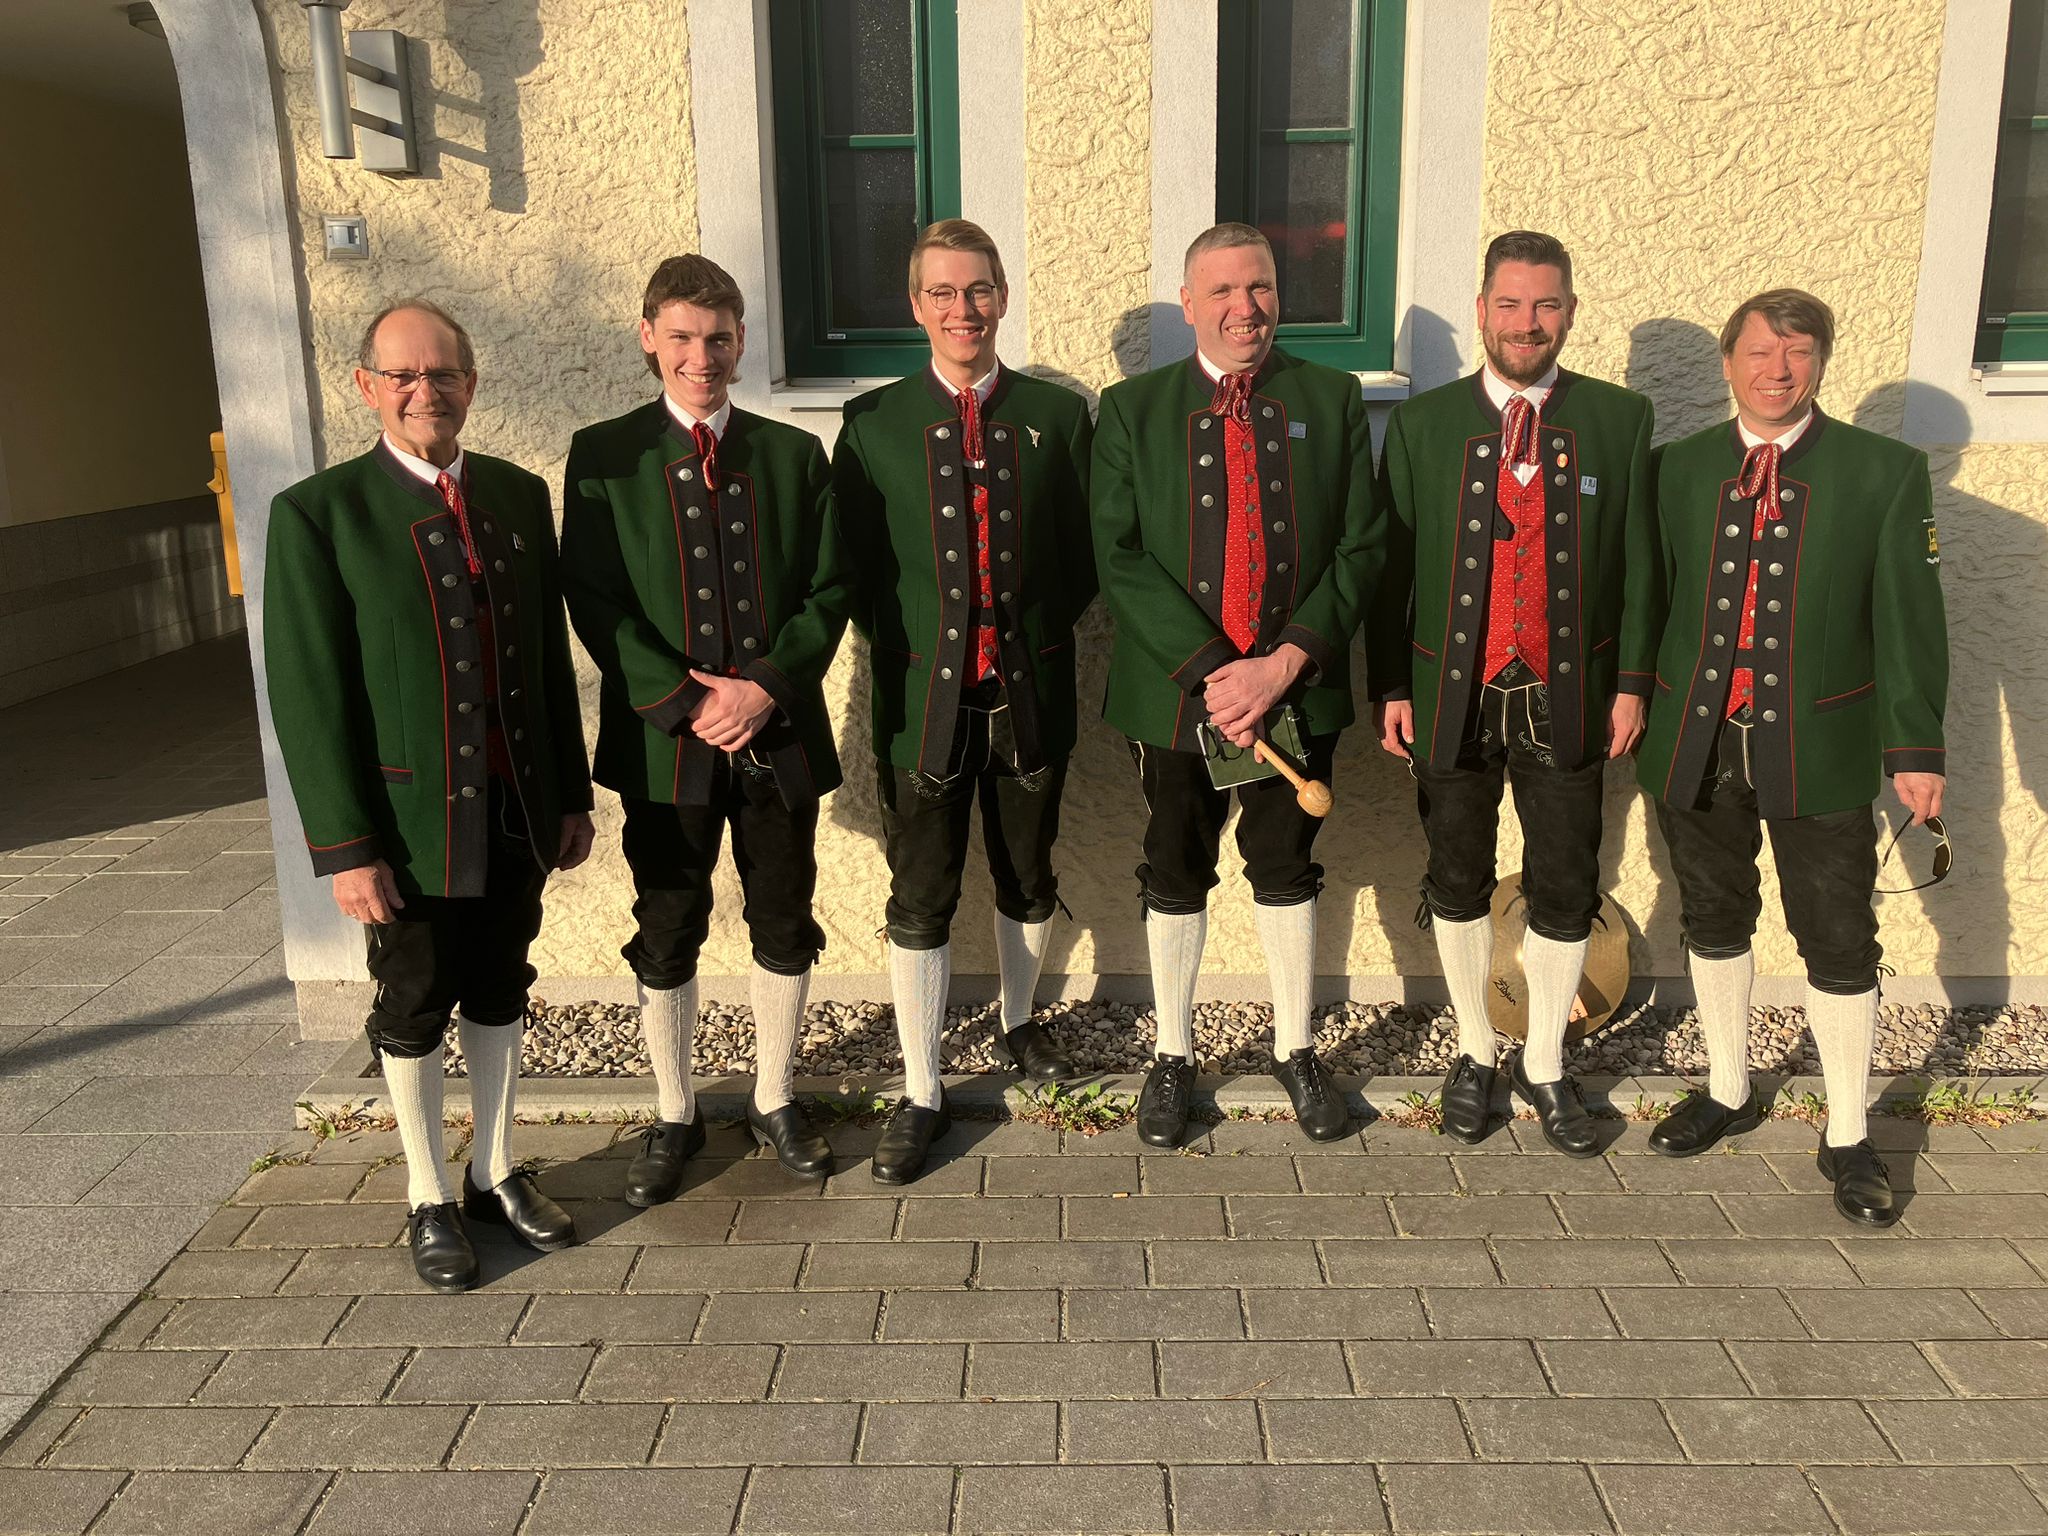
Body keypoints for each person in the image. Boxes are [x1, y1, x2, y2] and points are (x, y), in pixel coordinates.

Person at [265, 299, 594, 1292]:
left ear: (471, 383)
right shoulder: (320, 513)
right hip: (406, 826)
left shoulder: (516, 495)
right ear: (366, 386)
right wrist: (345, 847)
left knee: (500, 985)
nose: (425, 392)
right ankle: (426, 1194)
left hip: (514, 804)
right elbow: (309, 694)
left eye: (443, 373)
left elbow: (544, 658)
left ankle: (494, 1171)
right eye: (403, 375)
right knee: (413, 1002)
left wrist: (569, 795)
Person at [1636, 288, 1946, 1226]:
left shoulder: (1883, 472)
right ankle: (1729, 1089)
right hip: (1694, 737)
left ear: (1821, 363)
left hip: (1821, 743)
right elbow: (1645, 600)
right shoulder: (1675, 468)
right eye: (1761, 352)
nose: (1778, 371)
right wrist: (1628, 701)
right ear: (1729, 362)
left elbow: (1910, 621)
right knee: (1713, 913)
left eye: (1798, 353)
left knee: (1839, 935)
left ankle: (1848, 1133)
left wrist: (1915, 747)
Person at [561, 255, 852, 1197]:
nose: (702, 356)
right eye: (682, 336)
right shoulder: (603, 454)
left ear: (741, 341)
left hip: (777, 732)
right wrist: (685, 700)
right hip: (664, 743)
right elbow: (592, 594)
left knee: (784, 914)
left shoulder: (792, 454)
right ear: (649, 336)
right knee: (667, 919)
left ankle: (774, 1095)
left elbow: (830, 587)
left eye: (719, 338)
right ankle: (675, 1110)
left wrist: (763, 687)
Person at [1091, 222, 1384, 1150]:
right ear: (1189, 304)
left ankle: (1296, 1049)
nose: (1243, 307)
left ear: (1277, 294)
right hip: (1176, 694)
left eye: (1258, 287)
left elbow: (1363, 544)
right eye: (1221, 290)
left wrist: (1285, 662)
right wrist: (1217, 671)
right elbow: (1118, 553)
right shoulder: (1131, 409)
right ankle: (1173, 1055)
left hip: (1296, 687)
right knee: (1175, 866)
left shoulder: (1332, 398)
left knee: (1287, 864)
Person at [1368, 230, 1656, 1154]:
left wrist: (1632, 684)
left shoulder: (1620, 418)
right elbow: (1389, 565)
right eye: (1509, 304)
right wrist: (1389, 684)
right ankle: (1473, 1050)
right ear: (1482, 310)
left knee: (1567, 880)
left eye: (1545, 305)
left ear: (1569, 312)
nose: (1526, 323)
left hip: (1571, 694)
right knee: (1455, 875)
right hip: (1449, 689)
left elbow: (1641, 568)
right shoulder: (1425, 423)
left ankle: (1544, 1061)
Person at [832, 219, 1097, 1183]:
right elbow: (855, 569)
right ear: (917, 306)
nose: (963, 309)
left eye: (979, 289)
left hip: (1031, 689)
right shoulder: (871, 423)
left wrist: (1029, 637)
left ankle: (1021, 1023)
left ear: (1003, 296)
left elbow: (1081, 559)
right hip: (920, 700)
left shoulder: (1059, 417)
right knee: (922, 890)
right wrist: (926, 649)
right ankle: (921, 1086)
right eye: (942, 292)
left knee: (1028, 871)